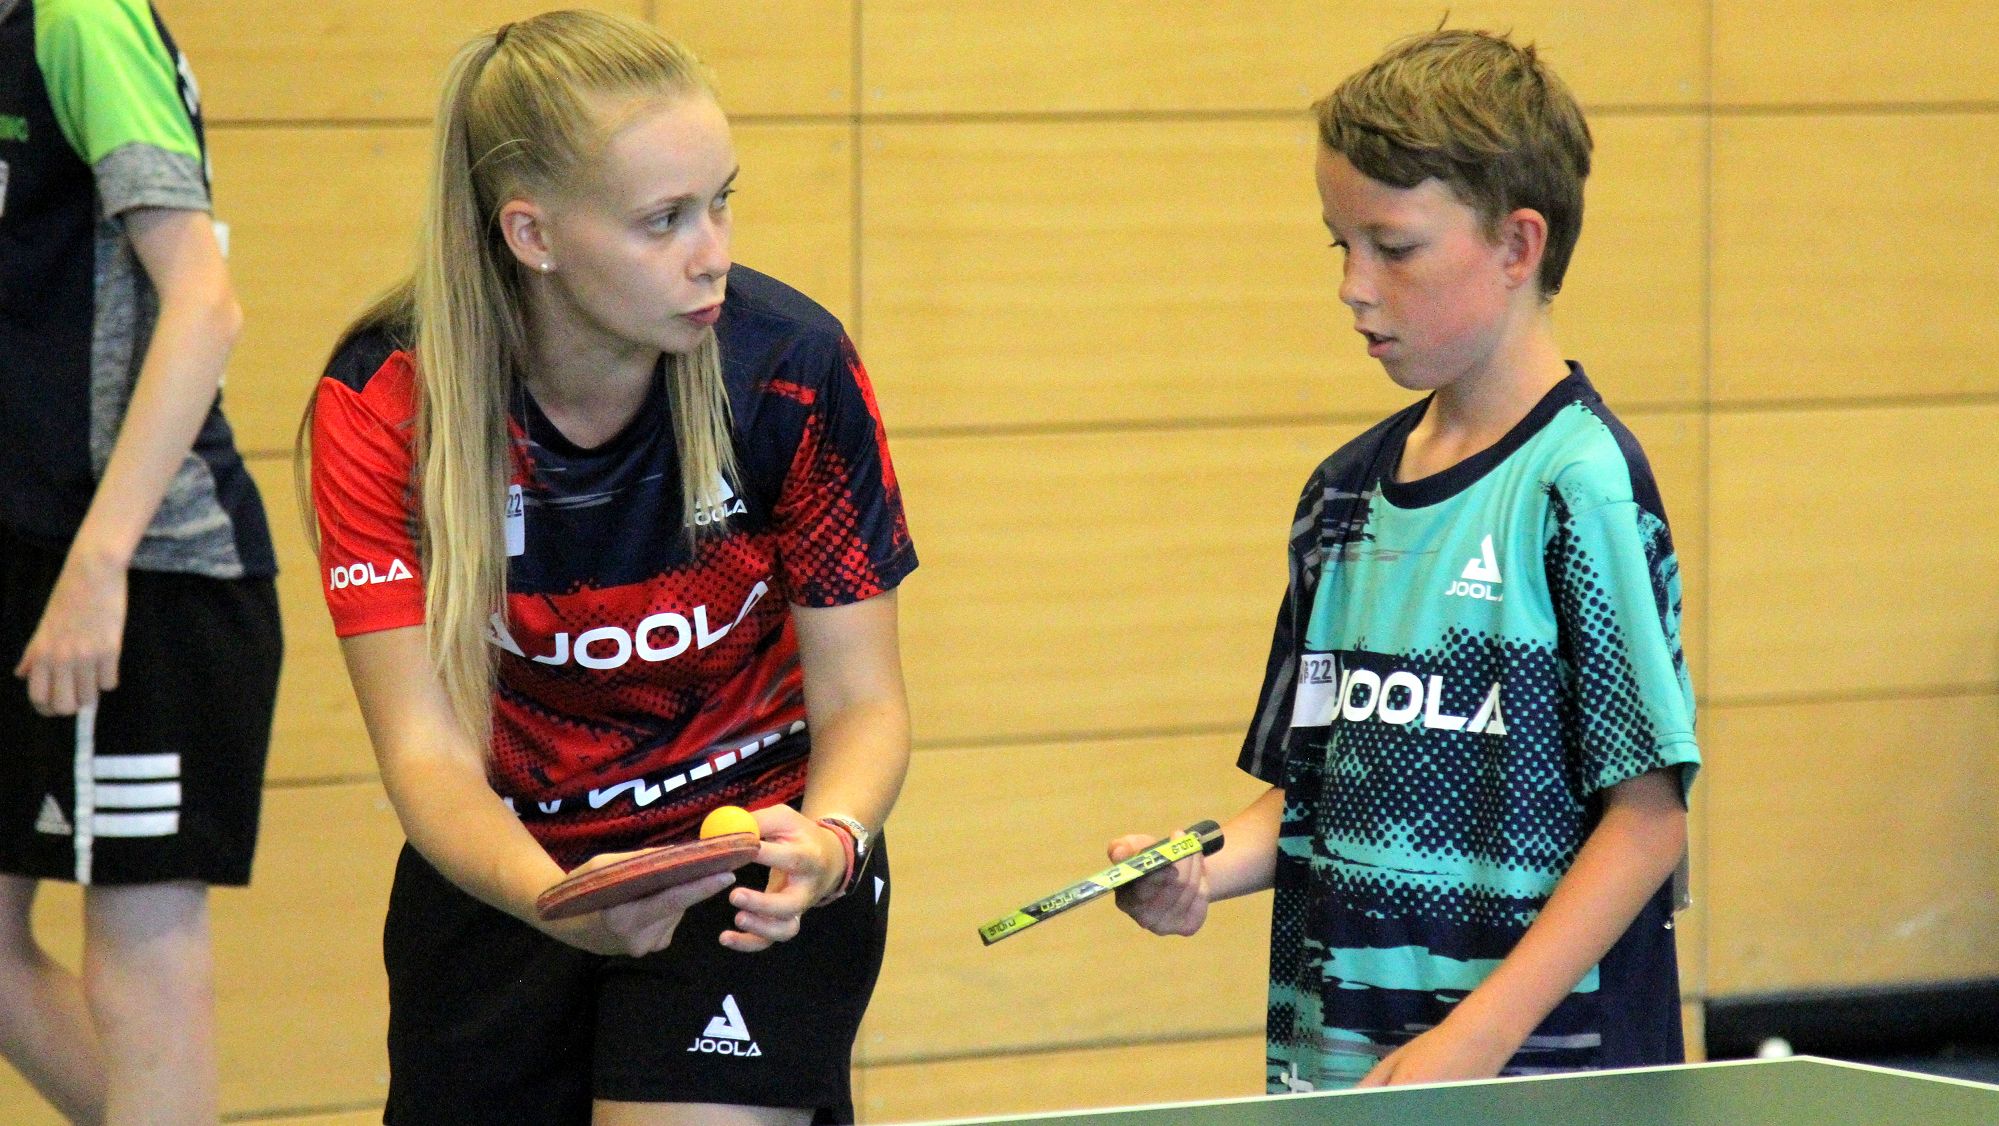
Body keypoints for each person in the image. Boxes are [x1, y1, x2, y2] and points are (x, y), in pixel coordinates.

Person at [303, 10, 915, 1124]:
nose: (711, 251)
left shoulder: (790, 368)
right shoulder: (382, 404)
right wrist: (553, 898)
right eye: (662, 220)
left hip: (748, 859)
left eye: (720, 201)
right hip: (512, 872)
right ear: (532, 234)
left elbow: (863, 701)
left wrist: (832, 840)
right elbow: (427, 754)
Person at [1109, 29, 1700, 1092]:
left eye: (1393, 247)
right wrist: (1200, 864)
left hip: (1537, 1081)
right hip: (1346, 1068)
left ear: (1517, 245)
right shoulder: (1340, 497)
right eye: (1338, 244)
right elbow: (1321, 792)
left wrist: (1474, 1039)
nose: (1352, 285)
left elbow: (1647, 823)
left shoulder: (1579, 489)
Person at [0, 0, 283, 1121]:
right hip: (25, 554)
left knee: (138, 953)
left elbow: (204, 304)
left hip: (143, 572)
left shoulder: (79, 20)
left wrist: (98, 565)